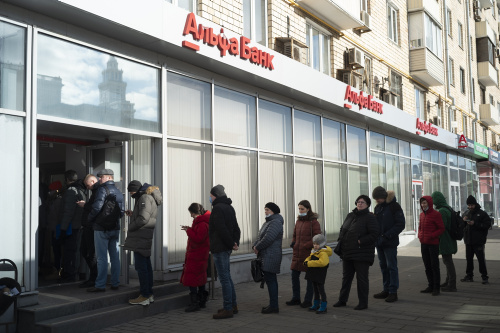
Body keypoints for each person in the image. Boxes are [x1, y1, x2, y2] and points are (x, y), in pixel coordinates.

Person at [333, 195, 379, 310]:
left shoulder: (370, 217)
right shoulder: (350, 215)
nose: (360, 203)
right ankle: (342, 300)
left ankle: (363, 303)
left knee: (362, 279)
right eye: (358, 201)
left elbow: (374, 234)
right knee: (346, 278)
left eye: (363, 202)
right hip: (348, 252)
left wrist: (361, 241)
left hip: (361, 253)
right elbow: (343, 229)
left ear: (367, 204)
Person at [123, 180, 162, 305]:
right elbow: (145, 215)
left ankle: (145, 295)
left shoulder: (144, 197)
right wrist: (134, 215)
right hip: (144, 236)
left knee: (141, 268)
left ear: (135, 190)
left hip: (141, 236)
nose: (130, 194)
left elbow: (144, 218)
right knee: (146, 266)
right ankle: (148, 294)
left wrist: (130, 226)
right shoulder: (148, 197)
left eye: (131, 192)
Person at [87, 169, 124, 292]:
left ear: (109, 178)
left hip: (101, 229)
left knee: (101, 258)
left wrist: (90, 219)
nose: (99, 179)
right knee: (114, 257)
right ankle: (115, 283)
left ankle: (100, 285)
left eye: (101, 177)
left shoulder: (102, 190)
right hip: (115, 228)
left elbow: (97, 207)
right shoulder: (119, 191)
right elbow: (122, 212)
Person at [208, 185, 241, 319]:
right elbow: (236, 228)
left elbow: (221, 229)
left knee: (224, 279)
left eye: (211, 196)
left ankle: (228, 309)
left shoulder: (217, 208)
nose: (210, 198)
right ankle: (232, 306)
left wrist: (230, 243)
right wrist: (235, 243)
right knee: (227, 277)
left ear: (216, 195)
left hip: (220, 248)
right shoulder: (229, 207)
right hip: (226, 247)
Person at [371, 186, 405, 303]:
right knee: (383, 266)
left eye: (378, 198)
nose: (376, 201)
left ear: (384, 196)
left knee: (391, 267)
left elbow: (400, 224)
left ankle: (393, 292)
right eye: (375, 199)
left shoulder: (394, 206)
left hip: (389, 242)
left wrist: (386, 235)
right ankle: (386, 289)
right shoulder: (378, 208)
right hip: (379, 242)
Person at [287, 200, 321, 309]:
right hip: (297, 253)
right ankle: (296, 298)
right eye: (299, 209)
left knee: (309, 278)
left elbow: (317, 238)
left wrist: (306, 245)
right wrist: (294, 242)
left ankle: (308, 300)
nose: (300, 211)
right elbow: (295, 234)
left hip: (308, 253)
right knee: (294, 276)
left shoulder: (313, 222)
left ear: (308, 209)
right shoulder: (298, 221)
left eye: (302, 209)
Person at [252, 202, 284, 314]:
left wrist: (258, 247)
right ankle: (273, 305)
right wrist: (255, 246)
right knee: (270, 280)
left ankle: (274, 306)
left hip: (271, 255)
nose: (265, 212)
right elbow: (260, 236)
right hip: (266, 255)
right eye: (265, 209)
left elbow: (268, 238)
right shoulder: (268, 222)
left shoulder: (276, 222)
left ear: (273, 211)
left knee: (271, 280)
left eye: (267, 210)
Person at [180, 203, 211, 312]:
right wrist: (189, 229)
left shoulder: (202, 223)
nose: (190, 216)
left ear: (194, 212)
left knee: (192, 279)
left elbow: (198, 239)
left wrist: (188, 231)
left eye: (191, 213)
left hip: (197, 255)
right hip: (200, 255)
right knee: (200, 278)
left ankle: (195, 303)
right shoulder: (203, 222)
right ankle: (201, 301)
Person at [58, 170, 87, 283]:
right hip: (78, 226)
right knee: (75, 251)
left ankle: (69, 275)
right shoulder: (81, 190)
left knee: (70, 251)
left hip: (72, 227)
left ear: (67, 179)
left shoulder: (71, 191)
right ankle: (72, 273)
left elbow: (68, 212)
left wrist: (63, 229)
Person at [461, 195, 491, 284]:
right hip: (468, 241)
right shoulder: (466, 213)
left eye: (472, 205)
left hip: (478, 241)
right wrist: (463, 221)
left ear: (475, 204)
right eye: (469, 205)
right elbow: (462, 226)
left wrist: (475, 223)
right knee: (469, 259)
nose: (470, 207)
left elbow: (487, 225)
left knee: (481, 259)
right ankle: (469, 276)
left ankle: (484, 277)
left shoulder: (482, 213)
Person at [418, 196, 445, 296]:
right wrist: (420, 236)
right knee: (427, 266)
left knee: (434, 266)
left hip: (433, 244)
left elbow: (441, 228)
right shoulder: (422, 215)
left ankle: (436, 287)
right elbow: (420, 227)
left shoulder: (436, 214)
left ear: (429, 203)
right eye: (422, 203)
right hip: (424, 243)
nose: (423, 205)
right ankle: (430, 285)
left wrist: (432, 235)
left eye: (424, 203)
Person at [431, 191, 457, 292]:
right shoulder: (448, 208)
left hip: (445, 239)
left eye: (433, 200)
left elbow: (442, 226)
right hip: (450, 238)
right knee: (448, 260)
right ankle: (448, 281)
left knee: (448, 261)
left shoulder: (442, 211)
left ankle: (452, 284)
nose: (433, 202)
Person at [77, 174, 99, 288]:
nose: (87, 187)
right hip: (88, 226)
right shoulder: (95, 192)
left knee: (90, 253)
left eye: (88, 184)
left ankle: (94, 278)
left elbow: (95, 208)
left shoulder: (98, 191)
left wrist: (84, 205)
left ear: (93, 181)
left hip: (91, 227)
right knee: (85, 251)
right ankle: (93, 277)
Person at [304, 234, 332, 314]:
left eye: (317, 244)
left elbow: (323, 262)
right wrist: (306, 261)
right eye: (314, 244)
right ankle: (316, 303)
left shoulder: (323, 253)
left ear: (322, 244)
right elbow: (309, 257)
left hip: (320, 274)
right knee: (315, 289)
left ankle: (323, 305)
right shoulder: (314, 251)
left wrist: (309, 263)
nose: (315, 246)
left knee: (321, 289)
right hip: (313, 273)